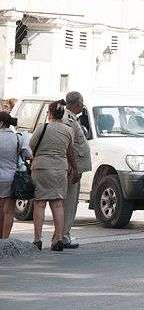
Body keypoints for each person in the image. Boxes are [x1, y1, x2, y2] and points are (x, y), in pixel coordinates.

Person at [29, 100, 77, 251]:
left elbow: (30, 148)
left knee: (40, 203)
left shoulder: (42, 128)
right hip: (60, 169)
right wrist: (74, 169)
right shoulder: (69, 130)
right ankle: (57, 239)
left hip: (41, 168)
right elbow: (70, 152)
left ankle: (37, 239)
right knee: (58, 204)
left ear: (49, 113)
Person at [61, 91, 91, 249]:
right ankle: (63, 236)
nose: (83, 105)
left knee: (70, 203)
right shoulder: (68, 119)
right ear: (76, 103)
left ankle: (63, 235)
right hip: (71, 167)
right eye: (81, 102)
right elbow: (69, 146)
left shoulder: (72, 118)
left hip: (73, 166)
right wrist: (74, 167)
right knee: (69, 203)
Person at [0, 112, 32, 239]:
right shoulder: (18, 138)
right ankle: (5, 239)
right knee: (9, 211)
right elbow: (28, 155)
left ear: (1, 123)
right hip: (11, 178)